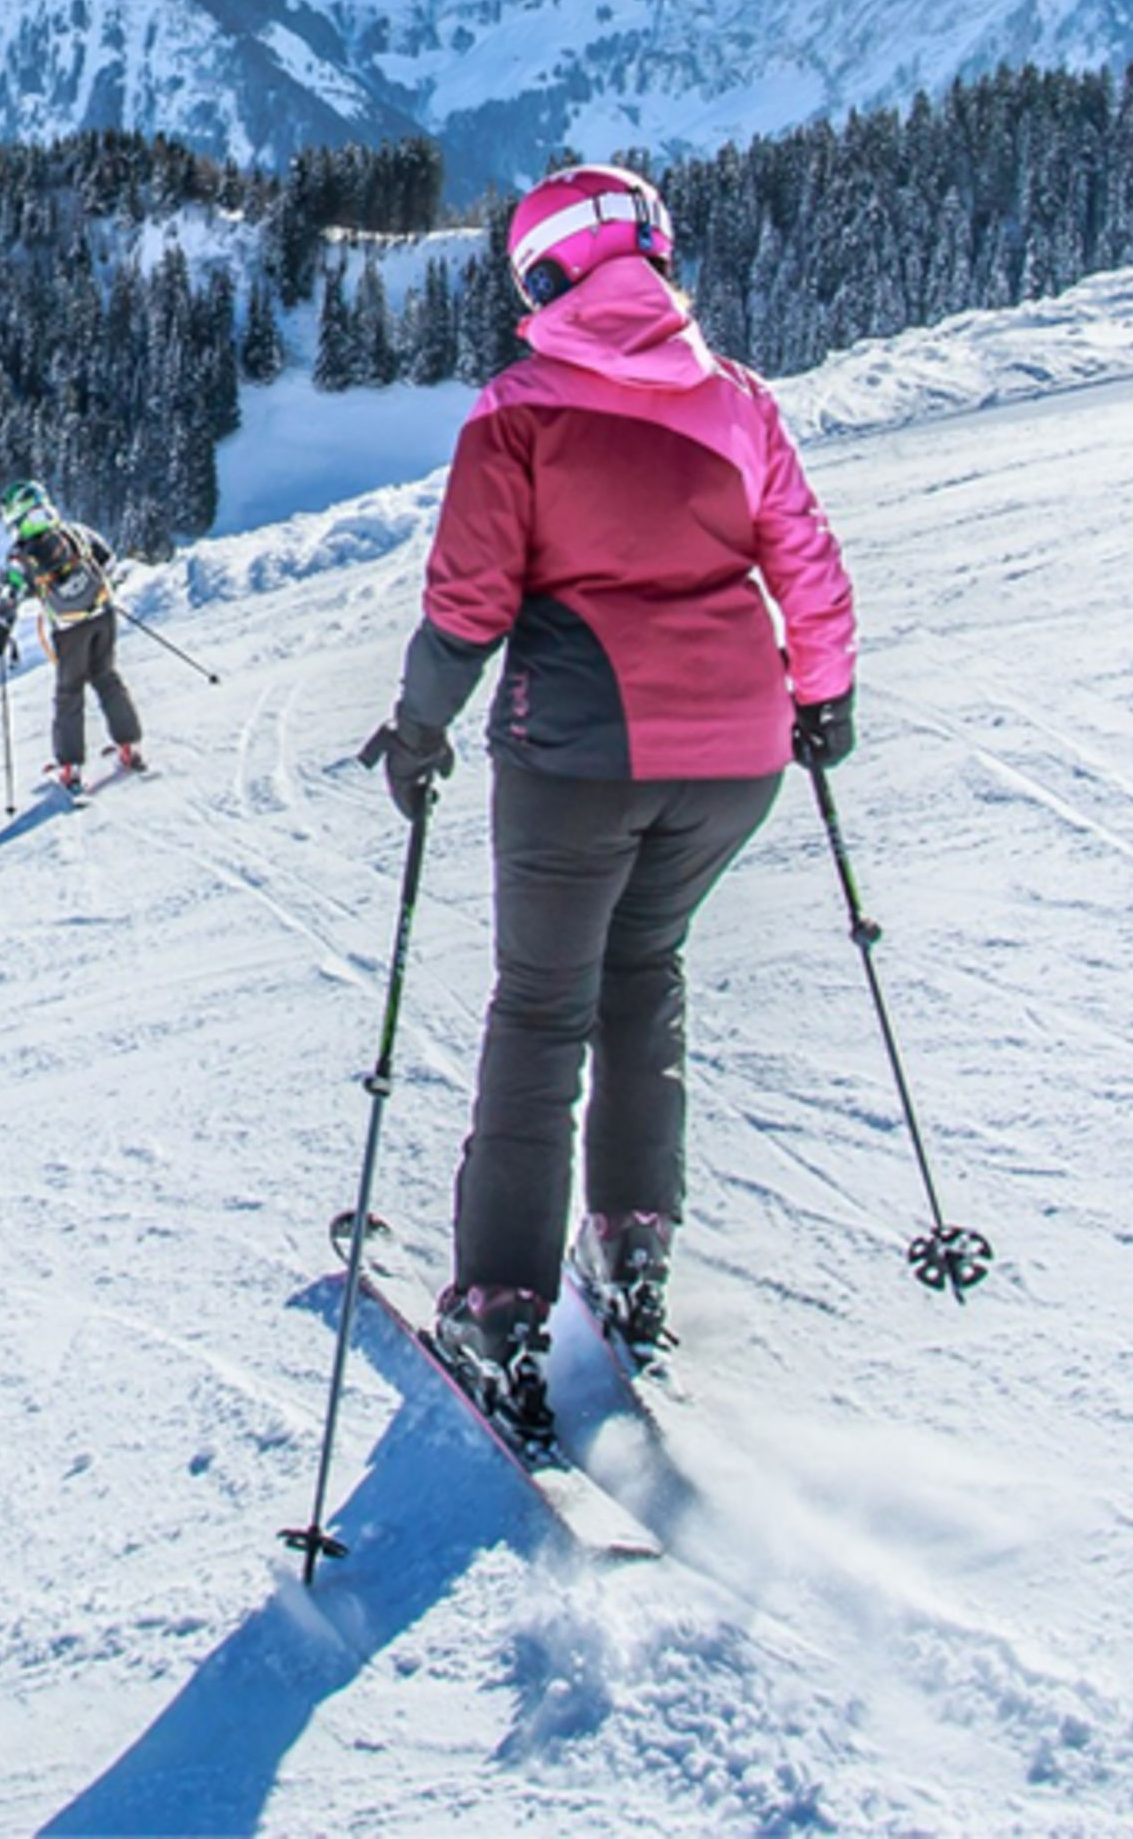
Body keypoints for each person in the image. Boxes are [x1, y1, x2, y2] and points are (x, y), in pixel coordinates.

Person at [361, 160, 856, 1444]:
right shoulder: (736, 401)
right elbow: (803, 551)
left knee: (541, 1008)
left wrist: (420, 727)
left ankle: (498, 1307)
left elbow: (469, 598)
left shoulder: (518, 411)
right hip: (736, 753)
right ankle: (631, 1255)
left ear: (539, 276)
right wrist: (826, 692)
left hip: (581, 757)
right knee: (646, 972)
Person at [0, 479, 144, 796]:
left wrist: (3, 629)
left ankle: (70, 769)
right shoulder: (74, 531)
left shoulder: (21, 555)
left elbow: (9, 594)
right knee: (107, 677)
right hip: (103, 615)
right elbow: (108, 561)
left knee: (69, 693)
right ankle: (128, 748)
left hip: (70, 629)